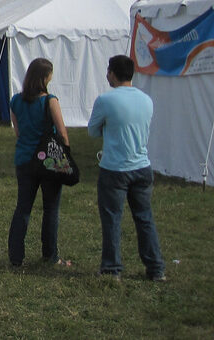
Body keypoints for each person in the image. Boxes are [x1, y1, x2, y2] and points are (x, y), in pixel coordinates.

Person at [88, 55, 166, 281]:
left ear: (112, 73)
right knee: (144, 218)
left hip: (114, 168)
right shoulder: (146, 100)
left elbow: (93, 131)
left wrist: (108, 129)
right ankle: (156, 268)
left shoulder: (105, 100)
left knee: (112, 218)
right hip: (142, 166)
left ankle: (112, 268)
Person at [7, 57, 69, 268]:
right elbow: (61, 132)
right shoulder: (50, 101)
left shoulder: (16, 100)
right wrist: (65, 154)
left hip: (24, 158)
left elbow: (18, 131)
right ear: (45, 77)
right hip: (48, 160)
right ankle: (50, 255)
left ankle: (16, 256)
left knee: (23, 208)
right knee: (51, 208)